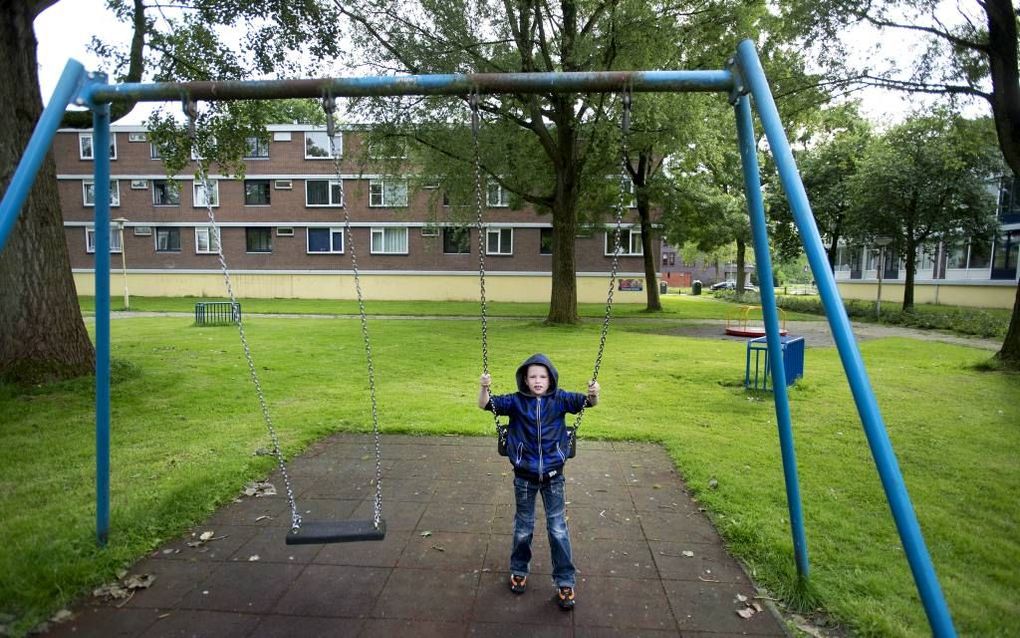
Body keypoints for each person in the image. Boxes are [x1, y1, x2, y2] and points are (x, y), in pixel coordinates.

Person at [478, 353, 600, 610]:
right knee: (524, 527)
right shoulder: (516, 402)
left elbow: (589, 402)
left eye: (542, 376)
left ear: (551, 379)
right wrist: (484, 387)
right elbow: (485, 405)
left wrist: (593, 392)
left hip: (554, 477)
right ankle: (519, 569)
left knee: (558, 529)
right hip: (524, 477)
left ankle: (565, 580)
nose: (537, 381)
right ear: (524, 378)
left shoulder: (560, 399)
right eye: (532, 376)